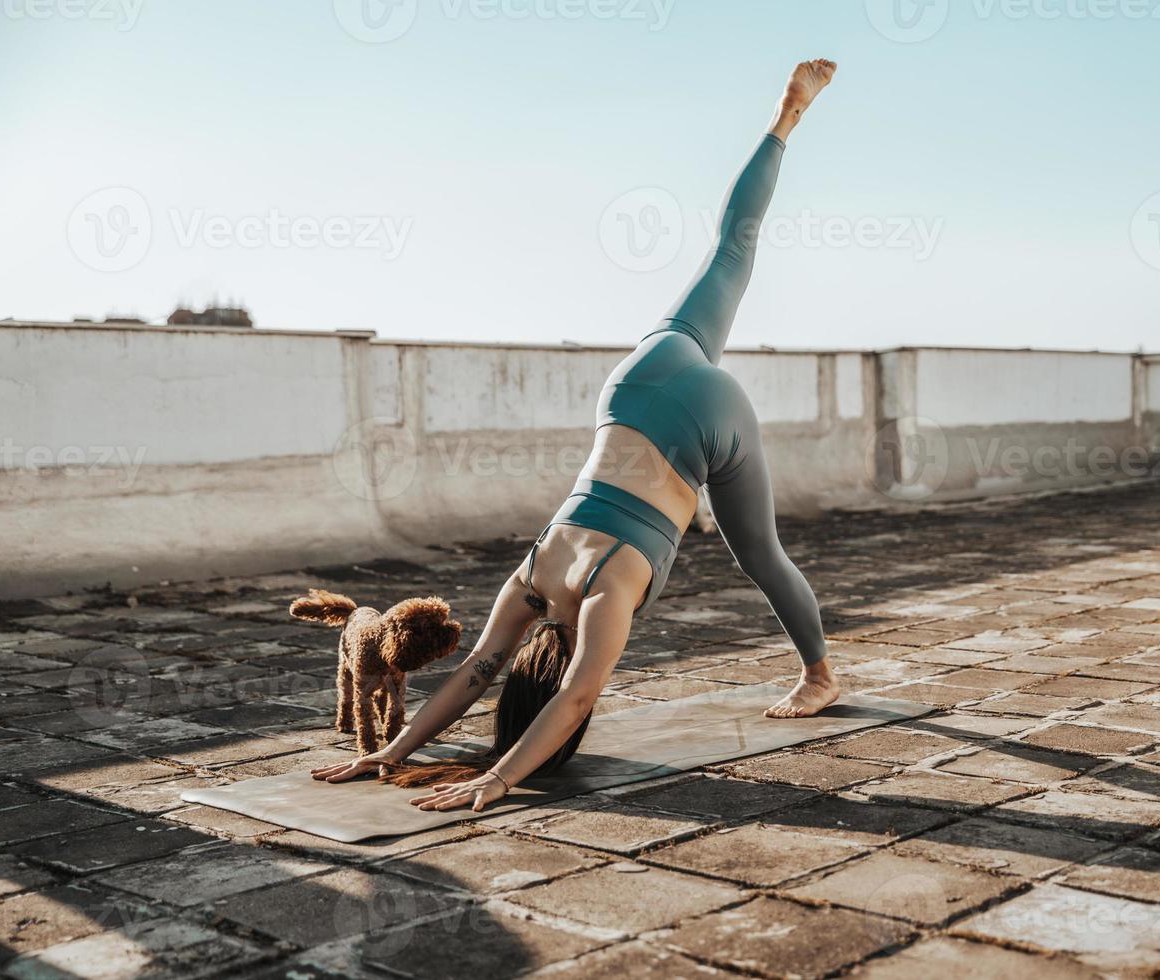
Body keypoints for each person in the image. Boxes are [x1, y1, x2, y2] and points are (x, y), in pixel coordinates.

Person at [312, 59, 840, 812]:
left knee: (760, 553)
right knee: (730, 252)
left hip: (707, 415)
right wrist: (390, 752)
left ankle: (822, 677)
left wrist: (495, 777)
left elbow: (576, 695)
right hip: (637, 382)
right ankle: (784, 122)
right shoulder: (532, 578)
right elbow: (478, 674)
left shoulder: (604, 599)